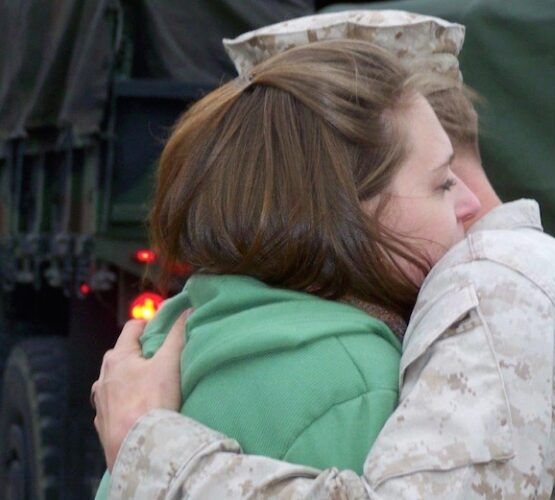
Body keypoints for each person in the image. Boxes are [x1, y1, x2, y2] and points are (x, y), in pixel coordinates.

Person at [92, 11, 555, 499]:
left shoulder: (489, 295)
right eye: (440, 184)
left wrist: (151, 441)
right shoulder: (528, 274)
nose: (464, 207)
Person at [92, 36, 481, 498]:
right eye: (441, 183)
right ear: (349, 211)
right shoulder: (354, 385)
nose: (470, 203)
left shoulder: (189, 329)